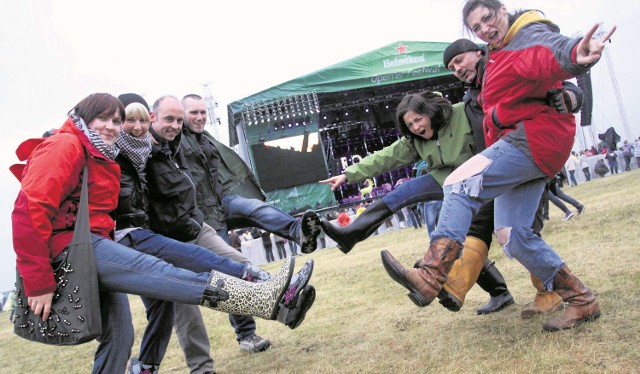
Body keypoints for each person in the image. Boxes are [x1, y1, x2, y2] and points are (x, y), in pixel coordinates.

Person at [11, 93, 313, 373]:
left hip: (96, 245)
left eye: (116, 121)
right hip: (72, 251)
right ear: (82, 118)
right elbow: (27, 213)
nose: (111, 127)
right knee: (165, 274)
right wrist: (37, 281)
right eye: (102, 119)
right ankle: (263, 300)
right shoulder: (65, 145)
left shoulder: (101, 155)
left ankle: (270, 296)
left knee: (120, 336)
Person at [382, 1, 613, 331]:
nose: (485, 28)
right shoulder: (488, 70)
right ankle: (580, 299)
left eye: (488, 19)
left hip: (531, 140)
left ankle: (431, 275)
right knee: (512, 235)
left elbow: (546, 54)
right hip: (522, 147)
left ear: (502, 11)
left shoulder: (521, 37)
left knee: (459, 184)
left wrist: (576, 53)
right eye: (477, 27)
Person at [114, 95, 314, 372]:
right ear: (153, 117)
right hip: (161, 241)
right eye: (168, 119)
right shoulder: (136, 153)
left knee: (238, 266)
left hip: (193, 227)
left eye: (178, 120)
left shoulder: (176, 146)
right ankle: (201, 368)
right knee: (187, 310)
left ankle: (282, 305)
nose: (174, 125)